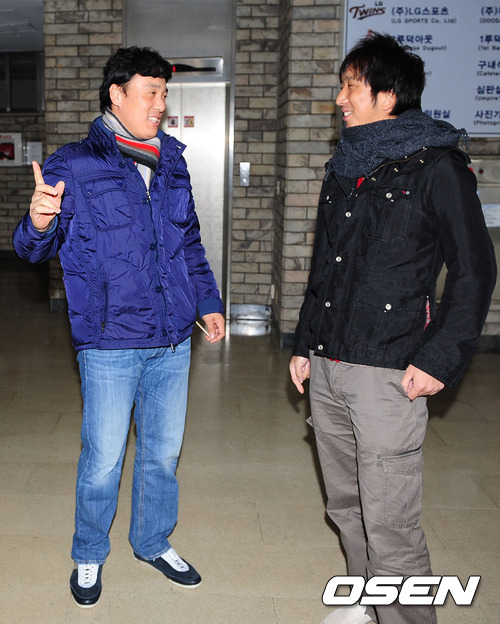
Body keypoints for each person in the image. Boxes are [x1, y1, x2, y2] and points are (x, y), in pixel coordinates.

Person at [289, 33, 496, 624]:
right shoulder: (344, 166)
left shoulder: (438, 166)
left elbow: (475, 269)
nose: (340, 99)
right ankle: (365, 602)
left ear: (387, 95)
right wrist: (305, 344)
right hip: (329, 361)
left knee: (390, 522)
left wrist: (439, 358)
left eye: (350, 87)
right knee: (346, 504)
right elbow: (325, 265)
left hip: (389, 368)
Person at [13, 46, 225, 608]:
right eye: (150, 92)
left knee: (162, 454)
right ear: (117, 94)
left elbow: (188, 242)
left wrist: (207, 300)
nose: (160, 104)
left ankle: (152, 541)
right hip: (109, 340)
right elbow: (31, 249)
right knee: (104, 458)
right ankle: (89, 552)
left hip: (173, 337)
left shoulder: (171, 159)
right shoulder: (74, 164)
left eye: (164, 94)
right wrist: (37, 221)